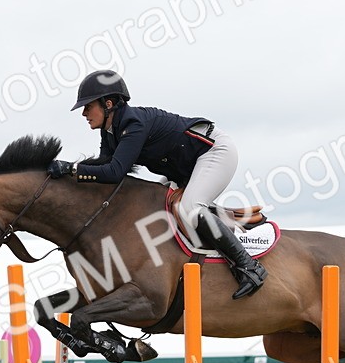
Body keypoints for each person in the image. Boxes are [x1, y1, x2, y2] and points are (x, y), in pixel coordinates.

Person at [49, 70, 267, 299]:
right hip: (186, 166)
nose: (84, 113)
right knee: (157, 207)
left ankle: (249, 267)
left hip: (214, 151)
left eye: (87, 106)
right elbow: (103, 171)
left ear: (108, 103)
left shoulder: (133, 124)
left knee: (191, 209)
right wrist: (66, 178)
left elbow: (114, 172)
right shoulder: (110, 131)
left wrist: (70, 168)